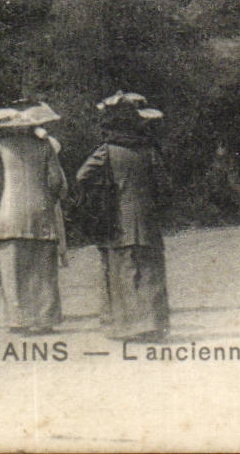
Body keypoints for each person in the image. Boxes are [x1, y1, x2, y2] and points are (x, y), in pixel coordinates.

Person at [75, 92, 171, 341]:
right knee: (149, 270)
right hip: (147, 217)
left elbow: (82, 176)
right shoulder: (149, 150)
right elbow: (164, 183)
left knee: (123, 272)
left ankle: (129, 326)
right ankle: (153, 324)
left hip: (118, 218)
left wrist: (105, 187)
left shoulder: (107, 151)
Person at [0, 100, 67, 334]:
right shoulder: (45, 146)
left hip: (9, 215)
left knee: (12, 269)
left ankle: (18, 319)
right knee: (43, 268)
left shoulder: (2, 146)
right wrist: (52, 199)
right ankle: (45, 319)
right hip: (41, 211)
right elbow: (56, 181)